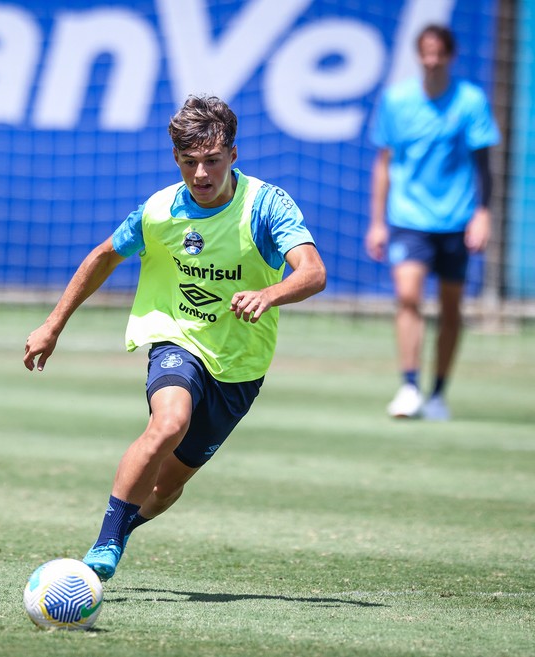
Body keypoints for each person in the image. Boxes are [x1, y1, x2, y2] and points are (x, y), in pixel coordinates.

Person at [23, 95, 326, 581]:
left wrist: (269, 294)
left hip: (240, 364)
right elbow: (104, 255)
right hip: (176, 337)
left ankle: (122, 529)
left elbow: (313, 273)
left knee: (165, 488)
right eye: (189, 162)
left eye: (212, 160)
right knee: (168, 424)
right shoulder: (160, 210)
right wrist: (52, 324)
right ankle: (104, 544)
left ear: (233, 155)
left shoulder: (267, 206)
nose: (201, 174)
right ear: (176, 158)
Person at [366, 24, 500, 421]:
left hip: (457, 219)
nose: (432, 59)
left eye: (439, 52)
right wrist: (377, 222)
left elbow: (484, 164)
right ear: (418, 54)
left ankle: (439, 393)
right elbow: (384, 162)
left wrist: (483, 213)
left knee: (450, 308)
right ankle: (409, 386)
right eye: (426, 51)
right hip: (408, 217)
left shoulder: (471, 101)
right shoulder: (396, 100)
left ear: (450, 56)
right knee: (408, 296)